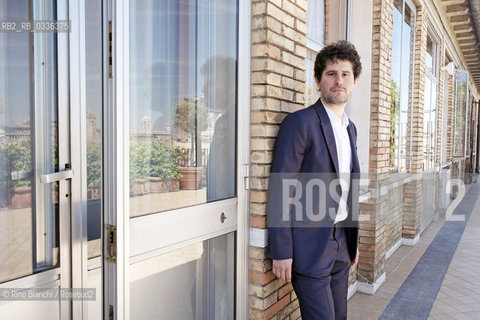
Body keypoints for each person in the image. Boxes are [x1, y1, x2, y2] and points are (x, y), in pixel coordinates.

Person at [267, 41, 362, 320]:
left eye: (345, 74)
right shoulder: (301, 123)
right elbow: (281, 187)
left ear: (354, 81)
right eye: (331, 73)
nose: (338, 80)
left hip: (342, 242)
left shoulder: (350, 129)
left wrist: (352, 243)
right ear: (318, 79)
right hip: (310, 246)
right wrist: (281, 250)